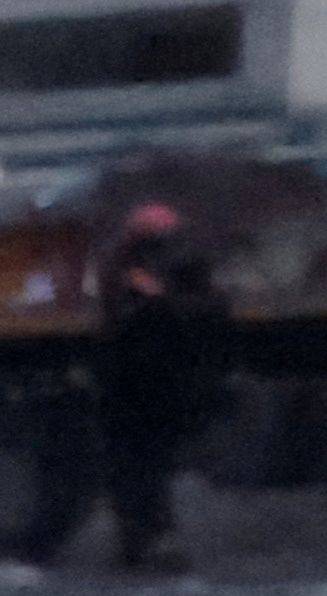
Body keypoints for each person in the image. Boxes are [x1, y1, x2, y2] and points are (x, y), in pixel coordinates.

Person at [86, 200, 230, 572]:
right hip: (142, 388)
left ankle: (145, 540)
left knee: (139, 468)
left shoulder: (145, 278)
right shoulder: (139, 279)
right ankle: (144, 540)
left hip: (143, 388)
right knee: (141, 469)